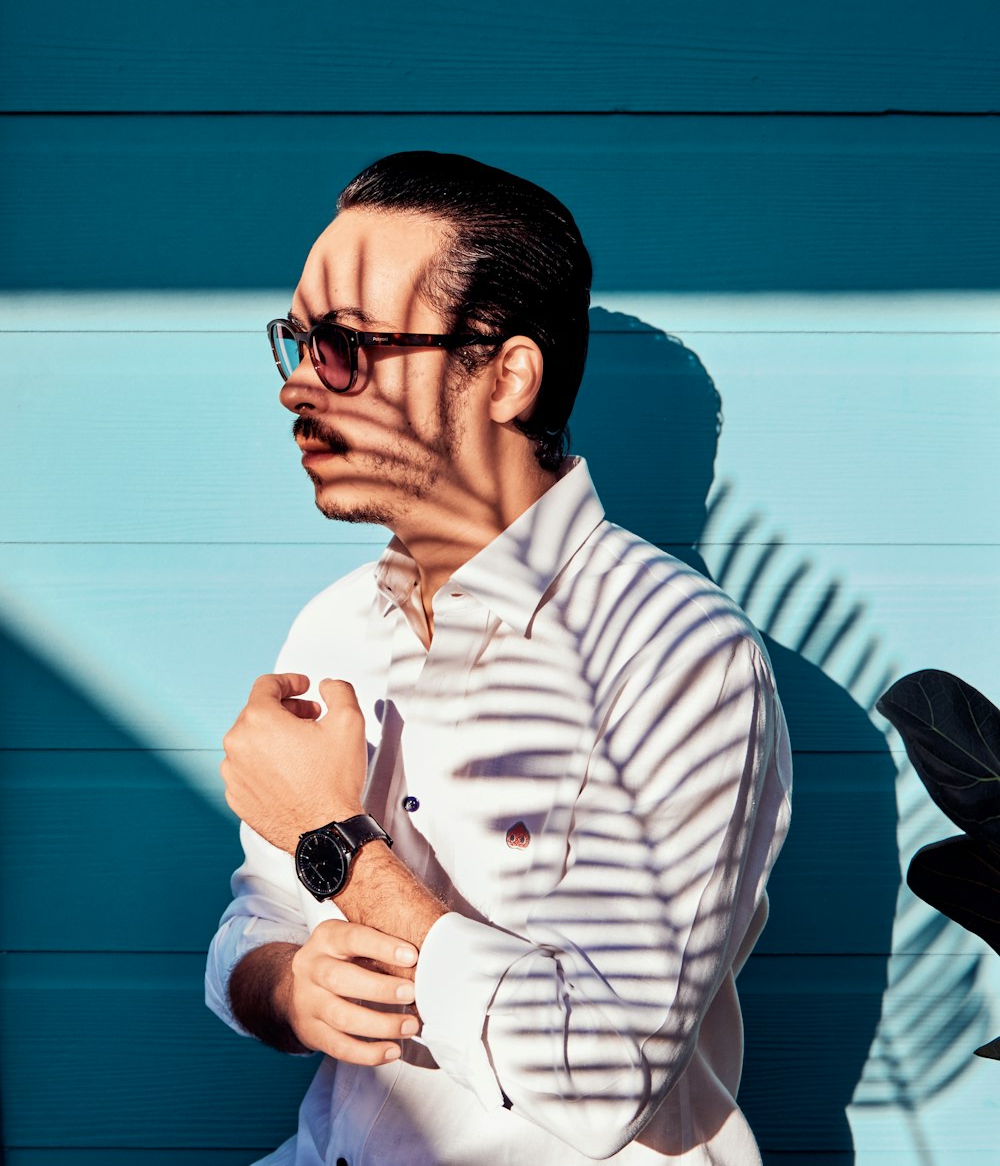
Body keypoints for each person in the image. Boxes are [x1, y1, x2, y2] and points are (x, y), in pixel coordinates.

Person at [205, 151, 793, 1165]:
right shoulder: (334, 628)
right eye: (295, 340)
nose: (299, 384)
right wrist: (286, 985)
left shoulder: (679, 656)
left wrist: (334, 840)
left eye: (346, 345)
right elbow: (257, 914)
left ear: (505, 374)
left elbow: (601, 1077)